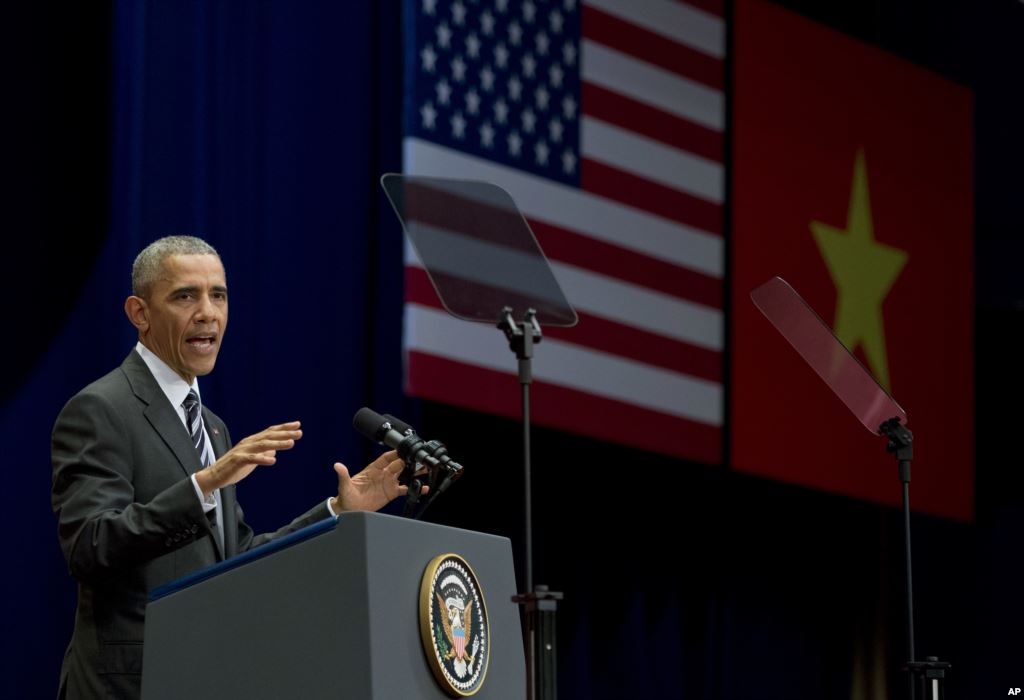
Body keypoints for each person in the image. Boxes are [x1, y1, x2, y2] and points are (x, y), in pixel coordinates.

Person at [51, 236, 417, 699]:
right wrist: (204, 482)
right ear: (139, 313)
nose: (208, 312)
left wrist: (335, 512)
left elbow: (236, 560)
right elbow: (91, 546)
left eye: (218, 295)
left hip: (207, 673)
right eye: (185, 295)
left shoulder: (211, 427)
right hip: (130, 683)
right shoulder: (100, 409)